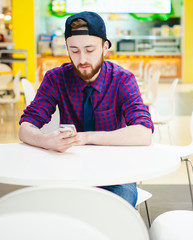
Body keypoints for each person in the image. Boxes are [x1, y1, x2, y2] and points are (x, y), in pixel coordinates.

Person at [19, 11, 154, 207]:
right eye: (74, 50)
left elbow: (143, 134)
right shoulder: (56, 78)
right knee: (46, 209)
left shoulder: (122, 79)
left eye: (89, 50)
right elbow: (26, 127)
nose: (82, 59)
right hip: (68, 168)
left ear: (105, 47)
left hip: (114, 170)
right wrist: (45, 140)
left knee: (118, 209)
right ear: (66, 48)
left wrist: (86, 137)